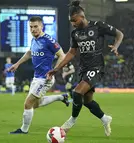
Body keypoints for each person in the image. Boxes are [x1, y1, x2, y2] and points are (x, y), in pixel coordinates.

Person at [46, 0, 124, 136]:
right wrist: (57, 68)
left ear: (81, 16)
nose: (73, 24)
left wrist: (116, 45)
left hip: (97, 67)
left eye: (74, 20)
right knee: (87, 102)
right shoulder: (75, 34)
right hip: (83, 69)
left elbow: (119, 34)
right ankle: (105, 119)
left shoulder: (98, 26)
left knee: (77, 93)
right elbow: (71, 53)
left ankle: (72, 121)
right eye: (71, 21)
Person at [9, 16, 69, 134]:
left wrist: (54, 71)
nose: (33, 29)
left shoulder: (49, 40)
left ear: (42, 26)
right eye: (31, 27)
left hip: (45, 78)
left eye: (35, 26)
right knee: (35, 104)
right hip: (37, 77)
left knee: (28, 103)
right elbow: (29, 53)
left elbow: (62, 55)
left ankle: (23, 130)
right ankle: (61, 97)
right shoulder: (34, 40)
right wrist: (17, 64)